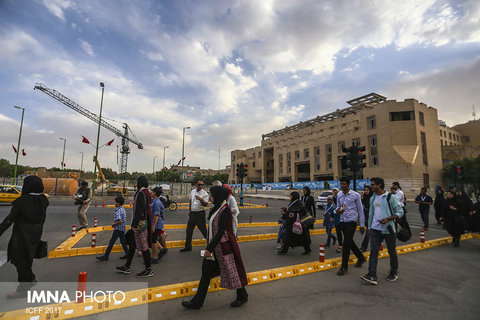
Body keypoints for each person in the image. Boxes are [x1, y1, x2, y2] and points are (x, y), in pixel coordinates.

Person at [181, 186, 248, 309]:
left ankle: (242, 295)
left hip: (224, 248)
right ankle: (197, 302)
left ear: (217, 196)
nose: (210, 197)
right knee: (207, 271)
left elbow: (221, 232)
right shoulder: (217, 208)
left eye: (211, 195)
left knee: (232, 271)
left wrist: (209, 249)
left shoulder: (225, 210)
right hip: (216, 249)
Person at [0, 176, 48, 298]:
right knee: (27, 260)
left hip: (22, 236)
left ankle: (24, 288)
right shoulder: (43, 200)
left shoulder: (22, 201)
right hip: (36, 235)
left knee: (20, 262)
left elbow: (9, 220)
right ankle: (29, 280)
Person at [360, 177, 404, 285]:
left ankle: (393, 272)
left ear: (379, 185)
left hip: (388, 230)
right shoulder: (373, 198)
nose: (371, 186)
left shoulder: (390, 197)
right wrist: (369, 228)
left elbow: (400, 212)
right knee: (373, 252)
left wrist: (388, 219)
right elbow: (371, 214)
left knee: (391, 251)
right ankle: (372, 275)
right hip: (375, 229)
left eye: (373, 184)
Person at [116, 176, 153, 277]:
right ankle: (127, 266)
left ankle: (148, 269)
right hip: (143, 222)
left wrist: (133, 224)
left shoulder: (141, 193)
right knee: (132, 245)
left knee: (144, 246)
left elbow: (140, 210)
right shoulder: (147, 192)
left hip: (139, 224)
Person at [335, 177, 366, 276]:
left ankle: (344, 267)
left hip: (352, 221)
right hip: (342, 221)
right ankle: (361, 257)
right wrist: (337, 210)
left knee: (346, 243)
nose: (342, 186)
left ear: (348, 184)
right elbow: (337, 207)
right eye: (341, 184)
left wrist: (362, 225)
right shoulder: (339, 194)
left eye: (344, 184)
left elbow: (360, 210)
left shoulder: (355, 195)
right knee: (350, 242)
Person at [96, 196, 129, 261]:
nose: (115, 203)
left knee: (111, 242)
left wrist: (114, 224)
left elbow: (120, 220)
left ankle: (106, 256)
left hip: (118, 229)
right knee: (123, 242)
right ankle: (127, 254)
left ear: (118, 203)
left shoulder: (118, 210)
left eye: (115, 202)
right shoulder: (122, 209)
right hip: (122, 229)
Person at [180, 180, 209, 252]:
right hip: (193, 213)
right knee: (189, 230)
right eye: (199, 185)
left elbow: (206, 204)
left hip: (200, 213)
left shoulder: (205, 194)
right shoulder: (192, 191)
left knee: (204, 230)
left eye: (202, 185)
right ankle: (188, 246)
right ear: (196, 185)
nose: (201, 186)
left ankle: (210, 245)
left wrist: (200, 199)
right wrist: (189, 210)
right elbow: (190, 201)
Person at [150, 187, 167, 264]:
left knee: (153, 240)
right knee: (153, 240)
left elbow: (156, 215)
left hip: (157, 224)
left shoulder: (156, 203)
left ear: (155, 193)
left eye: (152, 191)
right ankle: (161, 250)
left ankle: (155, 258)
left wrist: (153, 226)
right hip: (157, 224)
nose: (151, 193)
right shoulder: (156, 201)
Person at [360, 186, 373, 252]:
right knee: (369, 231)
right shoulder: (363, 197)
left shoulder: (372, 197)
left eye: (367, 190)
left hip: (371, 217)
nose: (366, 191)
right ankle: (364, 246)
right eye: (365, 190)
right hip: (365, 216)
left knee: (369, 232)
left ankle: (364, 246)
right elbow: (361, 205)